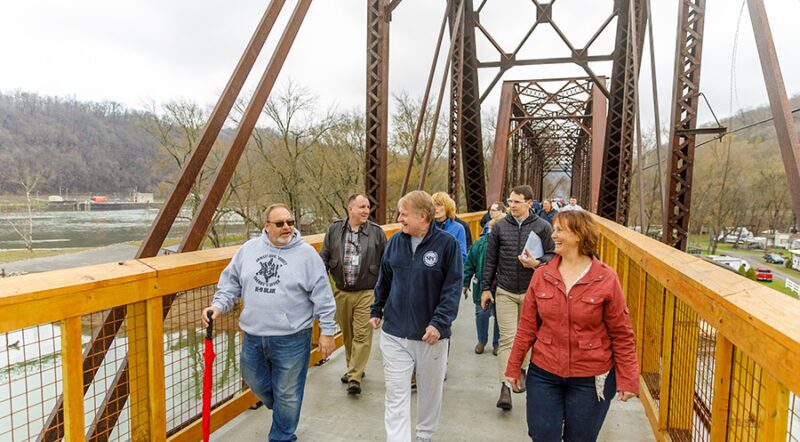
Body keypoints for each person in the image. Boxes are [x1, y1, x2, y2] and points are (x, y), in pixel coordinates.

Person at [201, 203, 336, 442]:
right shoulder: (249, 249)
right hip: (253, 334)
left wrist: (327, 331)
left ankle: (282, 436)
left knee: (287, 393)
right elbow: (231, 283)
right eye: (280, 223)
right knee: (257, 381)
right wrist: (217, 306)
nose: (287, 227)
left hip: (292, 337)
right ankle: (285, 406)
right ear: (266, 226)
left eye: (291, 222)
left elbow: (323, 296)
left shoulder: (307, 255)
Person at [505, 210, 638, 441]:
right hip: (545, 371)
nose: (553, 235)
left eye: (559, 230)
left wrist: (628, 378)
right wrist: (513, 366)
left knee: (581, 438)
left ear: (578, 235)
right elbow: (527, 327)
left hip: (591, 376)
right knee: (542, 434)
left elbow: (621, 333)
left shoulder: (606, 279)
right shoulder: (542, 275)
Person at [370, 190, 462, 442]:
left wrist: (439, 324)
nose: (399, 218)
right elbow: (384, 280)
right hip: (395, 334)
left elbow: (452, 288)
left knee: (430, 391)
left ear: (423, 217)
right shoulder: (394, 242)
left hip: (430, 336)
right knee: (396, 392)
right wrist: (376, 309)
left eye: (404, 214)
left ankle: (424, 435)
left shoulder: (447, 245)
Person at [481, 185, 555, 411]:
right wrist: (485, 288)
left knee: (528, 337)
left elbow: (553, 255)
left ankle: (521, 368)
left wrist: (538, 263)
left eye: (516, 202)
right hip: (505, 290)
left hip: (533, 292)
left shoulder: (543, 226)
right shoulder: (500, 227)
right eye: (510, 201)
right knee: (507, 338)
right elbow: (490, 259)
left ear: (529, 203)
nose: (511, 205)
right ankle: (505, 385)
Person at [320, 193, 387, 395]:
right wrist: (319, 285)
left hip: (367, 291)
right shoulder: (334, 230)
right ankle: (353, 368)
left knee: (362, 334)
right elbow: (324, 257)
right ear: (350, 209)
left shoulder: (376, 232)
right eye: (362, 207)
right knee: (347, 334)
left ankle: (355, 376)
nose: (366, 210)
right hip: (341, 291)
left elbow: (386, 263)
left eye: (368, 207)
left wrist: (384, 295)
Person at [463, 213, 504, 355]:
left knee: (500, 314)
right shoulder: (480, 244)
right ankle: (482, 340)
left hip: (502, 285)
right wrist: (465, 283)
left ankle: (497, 343)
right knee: (481, 313)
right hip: (482, 284)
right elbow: (470, 264)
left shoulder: (508, 245)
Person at [431, 191, 467, 262]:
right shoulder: (426, 227)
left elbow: (462, 256)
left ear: (447, 207)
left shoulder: (458, 228)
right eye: (433, 205)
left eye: (439, 205)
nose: (435, 208)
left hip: (448, 270)